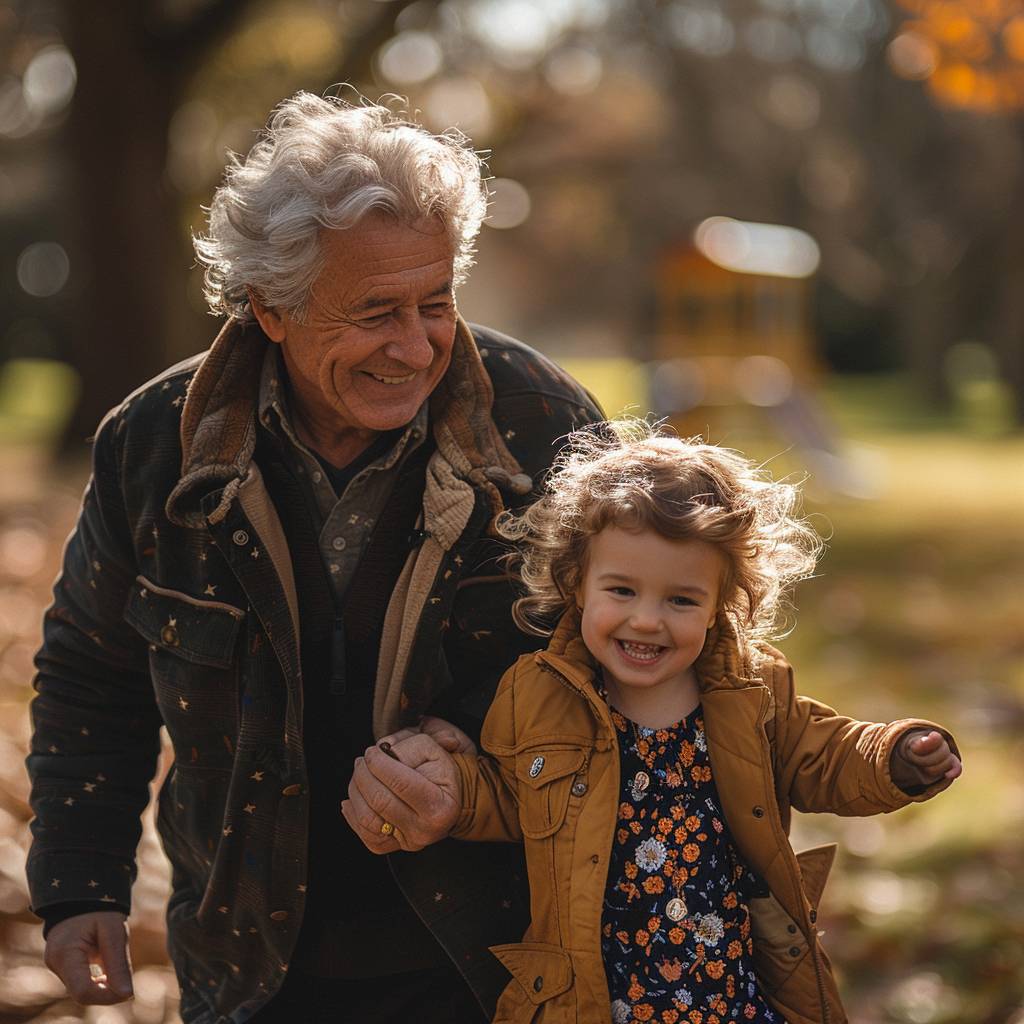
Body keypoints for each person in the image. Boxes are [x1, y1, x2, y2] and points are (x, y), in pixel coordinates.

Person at [25, 91, 602, 1023]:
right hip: (248, 962)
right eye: (375, 312)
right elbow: (94, 673)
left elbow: (647, 682)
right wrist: (79, 880)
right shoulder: (152, 444)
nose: (414, 347)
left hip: (498, 961)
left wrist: (480, 779)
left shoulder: (548, 429)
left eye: (436, 302)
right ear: (271, 309)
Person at [354, 422, 962, 1023]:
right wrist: (457, 791)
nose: (647, 621)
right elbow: (516, 796)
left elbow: (825, 755)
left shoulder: (752, 693)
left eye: (681, 600)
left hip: (727, 987)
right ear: (577, 584)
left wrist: (895, 754)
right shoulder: (537, 694)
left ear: (722, 603)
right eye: (621, 590)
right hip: (597, 994)